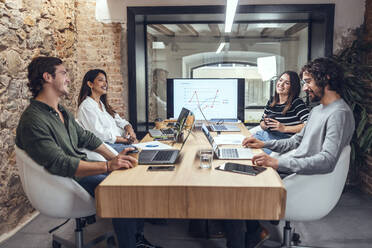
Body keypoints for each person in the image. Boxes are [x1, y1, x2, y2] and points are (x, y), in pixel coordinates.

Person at [15, 56, 161, 248]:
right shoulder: (34, 120)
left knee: (132, 178)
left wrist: (115, 157)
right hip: (66, 180)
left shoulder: (60, 110)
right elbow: (60, 163)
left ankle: (137, 239)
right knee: (123, 192)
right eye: (64, 73)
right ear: (47, 77)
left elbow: (87, 138)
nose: (68, 78)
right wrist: (108, 166)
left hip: (77, 171)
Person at [224, 57, 355, 248]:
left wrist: (278, 163)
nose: (304, 88)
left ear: (326, 79)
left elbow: (327, 161)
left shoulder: (339, 114)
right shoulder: (319, 110)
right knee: (234, 178)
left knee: (234, 193)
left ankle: (249, 236)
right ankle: (254, 233)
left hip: (300, 179)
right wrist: (263, 142)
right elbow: (296, 141)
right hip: (291, 170)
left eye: (308, 82)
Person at [77, 69, 138, 154]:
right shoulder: (86, 106)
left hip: (119, 142)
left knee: (142, 149)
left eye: (106, 81)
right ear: (90, 84)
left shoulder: (104, 105)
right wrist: (125, 140)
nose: (105, 84)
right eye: (101, 80)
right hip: (106, 146)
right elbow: (98, 134)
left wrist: (130, 131)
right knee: (138, 152)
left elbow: (122, 122)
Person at [255, 71, 309, 154]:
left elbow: (308, 125)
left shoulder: (297, 102)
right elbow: (261, 122)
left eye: (287, 83)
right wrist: (265, 125)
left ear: (293, 87)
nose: (281, 84)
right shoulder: (271, 101)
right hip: (270, 136)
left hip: (287, 140)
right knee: (252, 141)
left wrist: (284, 128)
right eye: (280, 80)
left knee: (257, 148)